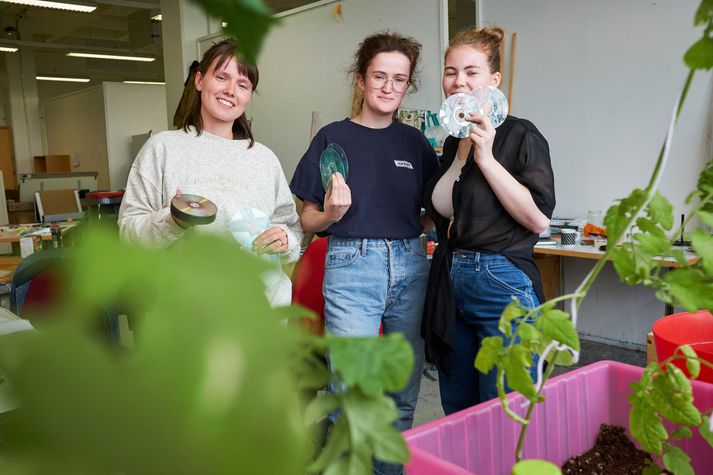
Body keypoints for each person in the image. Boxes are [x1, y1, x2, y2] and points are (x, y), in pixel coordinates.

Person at [289, 32, 439, 473]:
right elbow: (307, 220)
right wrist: (332, 214)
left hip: (412, 265)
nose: (389, 87)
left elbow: (432, 211)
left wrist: (414, 231)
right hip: (351, 265)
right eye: (379, 76)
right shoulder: (332, 138)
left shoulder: (415, 144)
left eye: (399, 79)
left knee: (401, 390)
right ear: (360, 80)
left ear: (407, 85)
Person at [422, 27, 555, 415]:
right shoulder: (452, 141)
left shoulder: (521, 135)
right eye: (450, 71)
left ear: (493, 80)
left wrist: (487, 158)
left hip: (502, 281)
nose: (458, 81)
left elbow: (536, 219)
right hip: (451, 279)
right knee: (460, 408)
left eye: (470, 71)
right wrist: (463, 154)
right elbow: (443, 209)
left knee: (506, 409)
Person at [118, 40, 302, 307]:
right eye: (221, 77)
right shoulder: (162, 148)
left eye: (242, 85)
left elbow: (291, 227)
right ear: (200, 80)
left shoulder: (264, 158)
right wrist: (173, 221)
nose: (230, 90)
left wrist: (285, 240)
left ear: (249, 95)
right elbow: (128, 235)